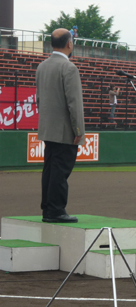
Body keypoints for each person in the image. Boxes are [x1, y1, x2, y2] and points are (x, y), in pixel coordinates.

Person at [36, 28, 85, 223]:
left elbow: (39, 99)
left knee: (50, 168)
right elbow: (74, 103)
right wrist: (78, 130)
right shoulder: (69, 68)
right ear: (69, 44)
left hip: (48, 127)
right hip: (65, 129)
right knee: (60, 170)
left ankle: (48, 208)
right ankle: (56, 209)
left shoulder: (42, 66)